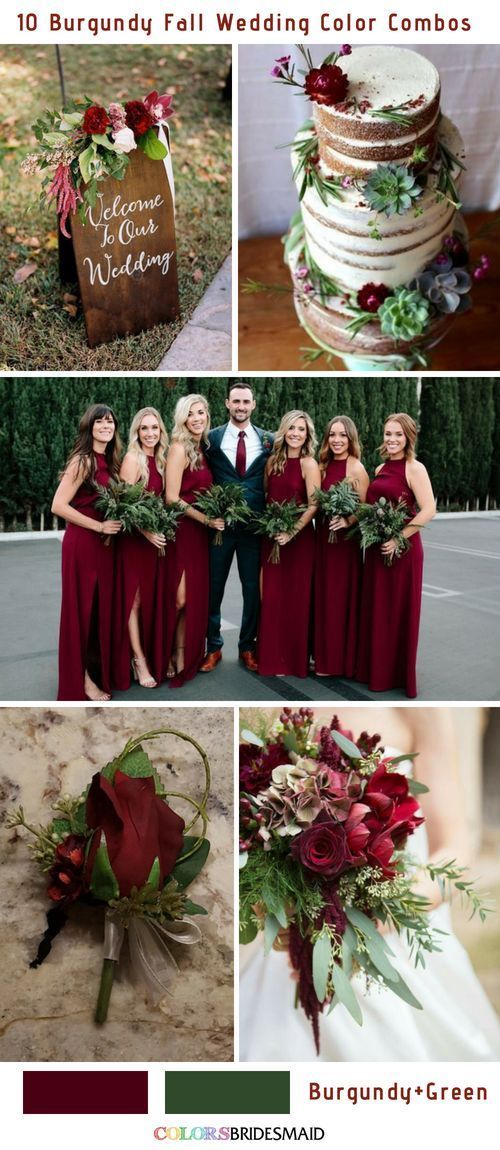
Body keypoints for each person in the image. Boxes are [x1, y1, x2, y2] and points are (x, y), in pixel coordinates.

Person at [240, 707, 500, 1061]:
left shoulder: (421, 711)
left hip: (397, 935)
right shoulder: (265, 711)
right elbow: (251, 838)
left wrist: (387, 910)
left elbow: (454, 847)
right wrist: (277, 908)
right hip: (300, 938)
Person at [355, 413, 436, 698]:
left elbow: (428, 509)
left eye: (398, 434)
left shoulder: (415, 468)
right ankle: (375, 670)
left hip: (404, 549)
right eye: (388, 433)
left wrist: (399, 537)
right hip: (378, 549)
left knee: (399, 611)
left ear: (408, 438)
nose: (391, 439)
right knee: (377, 609)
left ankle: (397, 675)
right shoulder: (379, 467)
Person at [200, 382, 274, 673]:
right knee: (212, 588)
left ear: (253, 404)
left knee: (252, 589)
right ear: (227, 404)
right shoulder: (211, 439)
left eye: (246, 401)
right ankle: (213, 647)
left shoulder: (269, 440)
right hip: (220, 527)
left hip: (253, 528)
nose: (241, 407)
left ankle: (247, 646)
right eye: (236, 401)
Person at [52, 404, 122, 701]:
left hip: (104, 547)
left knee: (97, 612)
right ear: (89, 427)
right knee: (81, 612)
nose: (106, 426)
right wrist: (98, 526)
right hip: (83, 543)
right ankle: (80, 681)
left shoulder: (110, 461)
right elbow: (58, 506)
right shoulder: (83, 461)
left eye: (110, 422)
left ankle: (95, 671)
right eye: (100, 422)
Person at [164, 394, 224, 686]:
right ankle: (163, 653)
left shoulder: (205, 449)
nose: (198, 418)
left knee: (192, 601)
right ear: (182, 419)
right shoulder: (178, 449)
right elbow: (171, 498)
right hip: (184, 530)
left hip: (203, 534)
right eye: (191, 414)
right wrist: (205, 519)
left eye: (201, 412)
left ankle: (181, 654)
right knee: (179, 599)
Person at [257, 410, 320, 677]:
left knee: (297, 601)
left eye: (301, 429)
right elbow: (267, 497)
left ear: (307, 435)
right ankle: (272, 658)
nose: (296, 433)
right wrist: (272, 528)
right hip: (271, 539)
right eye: (292, 428)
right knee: (271, 599)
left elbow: (314, 504)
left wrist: (291, 531)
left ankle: (294, 661)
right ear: (284, 430)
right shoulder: (272, 462)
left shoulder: (309, 464)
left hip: (300, 541)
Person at [113, 407, 168, 691]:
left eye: (154, 428)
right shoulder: (133, 459)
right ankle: (139, 660)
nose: (150, 433)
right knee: (133, 602)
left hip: (154, 543)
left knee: (150, 600)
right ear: (137, 431)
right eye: (144, 428)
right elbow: (123, 505)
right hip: (135, 540)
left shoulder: (159, 459)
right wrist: (146, 531)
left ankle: (154, 653)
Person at [314, 415, 369, 678]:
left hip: (344, 546)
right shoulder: (321, 466)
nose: (337, 440)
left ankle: (338, 662)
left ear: (351, 438)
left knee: (339, 600)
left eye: (342, 435)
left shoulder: (355, 467)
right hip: (322, 540)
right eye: (332, 435)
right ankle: (322, 657)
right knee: (322, 599)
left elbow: (366, 506)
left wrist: (347, 520)